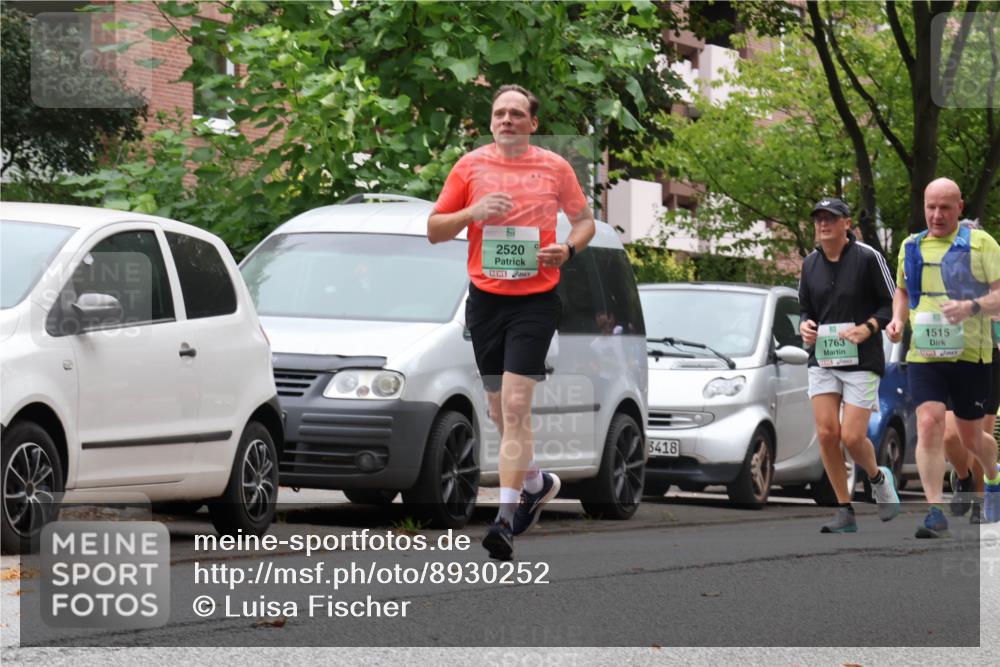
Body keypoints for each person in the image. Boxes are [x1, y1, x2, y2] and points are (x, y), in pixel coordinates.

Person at [427, 84, 596, 560]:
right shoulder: (470, 166)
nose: (506, 120)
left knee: (517, 407)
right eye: (499, 113)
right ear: (491, 122)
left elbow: (585, 222)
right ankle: (538, 482)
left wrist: (567, 249)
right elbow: (435, 230)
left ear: (532, 123)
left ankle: (504, 520)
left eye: (516, 114)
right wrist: (473, 212)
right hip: (485, 301)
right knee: (500, 412)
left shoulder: (555, 167)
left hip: (536, 301)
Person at [886, 178, 1000, 537]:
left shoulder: (981, 244)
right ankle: (935, 510)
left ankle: (994, 479)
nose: (936, 215)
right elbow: (902, 292)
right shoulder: (911, 245)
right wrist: (897, 320)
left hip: (971, 355)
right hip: (925, 353)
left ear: (960, 208)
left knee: (970, 439)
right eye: (930, 207)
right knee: (928, 423)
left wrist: (972, 306)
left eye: (945, 208)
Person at [798, 197, 900, 533]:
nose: (823, 224)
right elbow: (806, 310)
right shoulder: (809, 264)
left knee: (854, 437)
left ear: (846, 224)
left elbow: (889, 305)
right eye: (819, 219)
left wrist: (868, 327)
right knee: (828, 433)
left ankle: (876, 476)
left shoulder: (868, 257)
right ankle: (844, 509)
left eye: (831, 218)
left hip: (862, 359)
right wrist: (805, 326)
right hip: (823, 359)